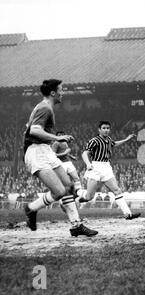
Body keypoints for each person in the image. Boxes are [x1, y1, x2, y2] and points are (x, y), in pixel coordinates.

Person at [23, 79, 98, 237]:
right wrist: (58, 138)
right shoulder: (45, 108)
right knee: (59, 191)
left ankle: (76, 226)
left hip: (46, 150)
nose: (63, 93)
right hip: (36, 152)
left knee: (68, 186)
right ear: (53, 93)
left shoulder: (46, 107)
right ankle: (32, 208)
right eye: (61, 90)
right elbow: (34, 131)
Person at [76, 121, 141, 220]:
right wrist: (88, 164)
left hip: (106, 167)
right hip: (95, 167)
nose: (106, 130)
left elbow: (115, 144)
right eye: (104, 128)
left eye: (108, 128)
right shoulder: (95, 141)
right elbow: (84, 153)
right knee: (89, 197)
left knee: (117, 190)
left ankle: (128, 214)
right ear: (99, 129)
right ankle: (77, 193)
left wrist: (127, 139)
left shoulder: (109, 139)